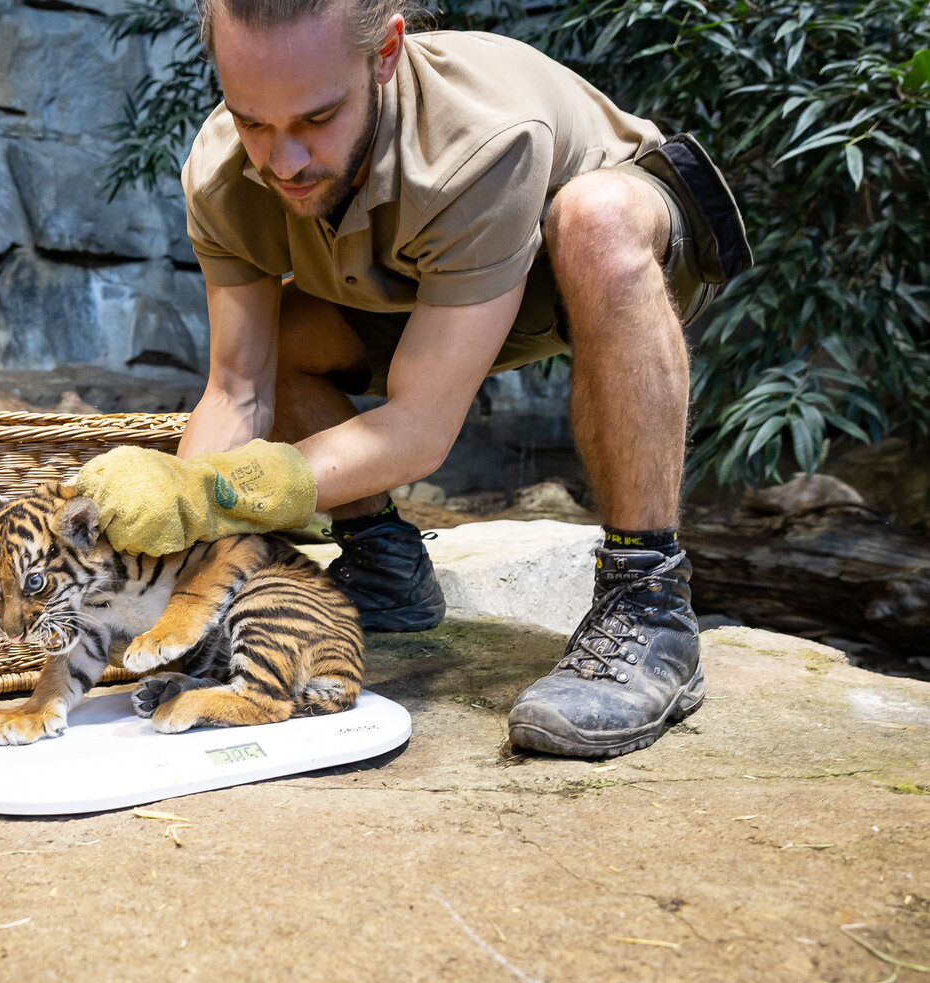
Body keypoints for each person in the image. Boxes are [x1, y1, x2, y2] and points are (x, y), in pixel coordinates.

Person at [75, 0, 752, 758]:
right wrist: (176, 582)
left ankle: (648, 601)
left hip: (611, 252)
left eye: (317, 118)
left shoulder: (482, 136)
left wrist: (214, 492)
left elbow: (421, 428)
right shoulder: (226, 173)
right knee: (285, 334)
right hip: (417, 283)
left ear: (387, 53)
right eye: (253, 121)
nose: (284, 160)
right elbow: (238, 389)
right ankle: (385, 567)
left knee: (593, 219)